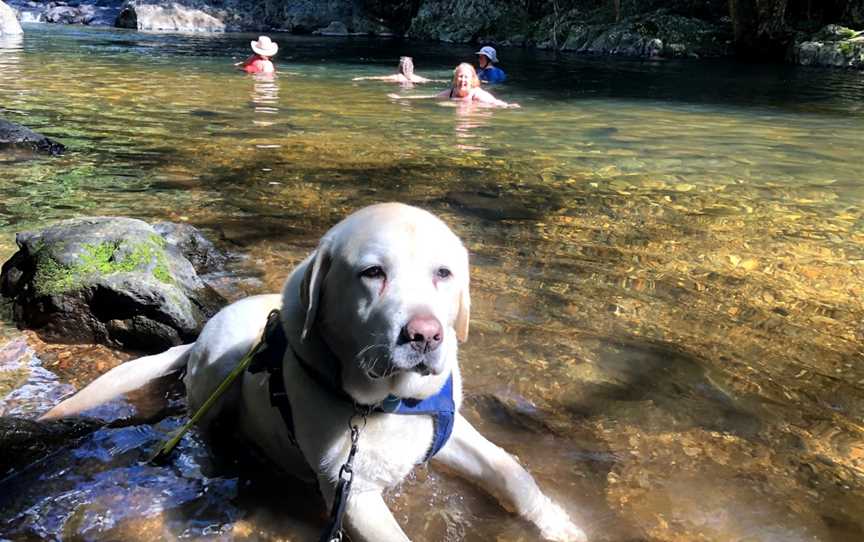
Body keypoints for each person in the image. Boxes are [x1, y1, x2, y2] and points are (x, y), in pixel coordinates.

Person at [435, 63, 518, 107]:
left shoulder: (477, 94)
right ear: (456, 79)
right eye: (460, 76)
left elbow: (494, 102)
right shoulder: (450, 93)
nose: (463, 80)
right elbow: (433, 97)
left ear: (472, 80)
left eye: (466, 77)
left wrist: (508, 105)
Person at [352, 56, 435, 84]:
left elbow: (375, 78)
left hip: (401, 89)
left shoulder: (396, 77)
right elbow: (433, 81)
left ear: (399, 67)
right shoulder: (417, 78)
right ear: (412, 67)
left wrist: (361, 78)